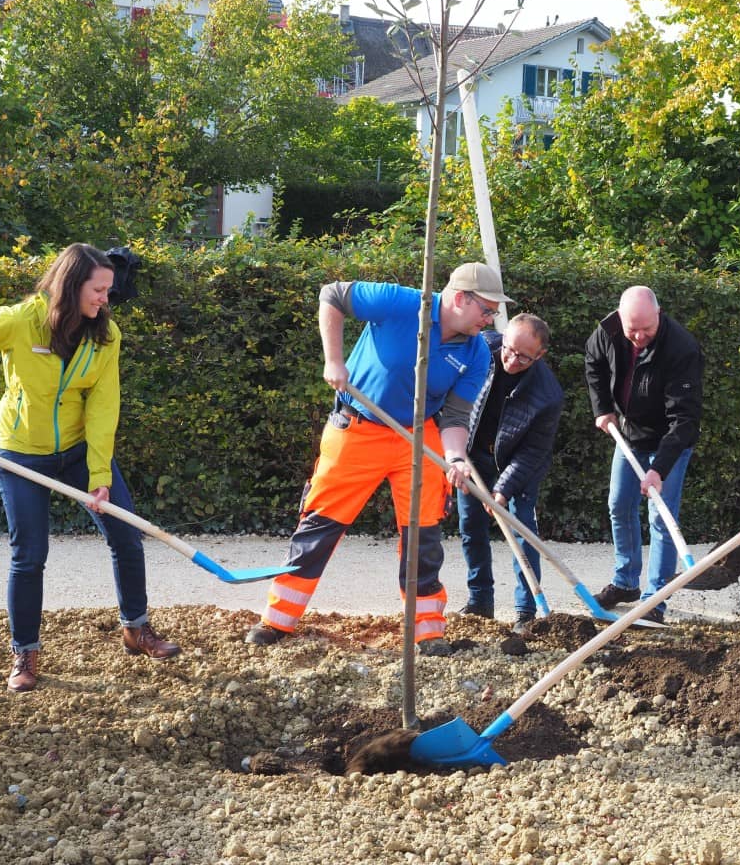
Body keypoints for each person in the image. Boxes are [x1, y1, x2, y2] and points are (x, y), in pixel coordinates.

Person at [0, 244, 180, 694]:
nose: (106, 298)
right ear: (71, 285)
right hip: (19, 454)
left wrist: (100, 477)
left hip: (76, 450)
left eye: (109, 289)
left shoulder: (106, 336)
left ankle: (136, 628)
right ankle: (25, 652)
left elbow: (104, 407)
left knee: (126, 536)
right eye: (99, 289)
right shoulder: (19, 321)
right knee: (29, 555)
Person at [244, 262, 509, 657]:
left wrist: (455, 458)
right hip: (358, 428)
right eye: (486, 310)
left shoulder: (477, 355)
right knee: (320, 525)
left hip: (419, 439)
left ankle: (427, 630)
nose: (491, 319)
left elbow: (455, 417)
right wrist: (333, 360)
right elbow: (332, 295)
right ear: (459, 298)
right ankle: (278, 620)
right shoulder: (403, 304)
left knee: (424, 536)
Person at [585, 286, 703, 624]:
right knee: (619, 505)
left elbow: (684, 421)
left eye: (646, 330)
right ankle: (625, 583)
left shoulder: (682, 349)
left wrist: (659, 471)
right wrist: (603, 408)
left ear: (659, 314)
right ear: (621, 318)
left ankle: (656, 600)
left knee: (660, 516)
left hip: (670, 440)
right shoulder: (608, 330)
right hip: (631, 434)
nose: (638, 337)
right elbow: (593, 361)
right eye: (631, 329)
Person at [456, 313, 563, 632]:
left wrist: (502, 490)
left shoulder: (548, 394)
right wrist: (457, 453)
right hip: (472, 456)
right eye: (509, 348)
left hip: (517, 466)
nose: (511, 359)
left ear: (540, 355)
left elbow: (532, 452)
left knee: (522, 531)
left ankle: (526, 611)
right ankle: (480, 601)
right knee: (471, 527)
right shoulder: (481, 349)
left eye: (523, 356)